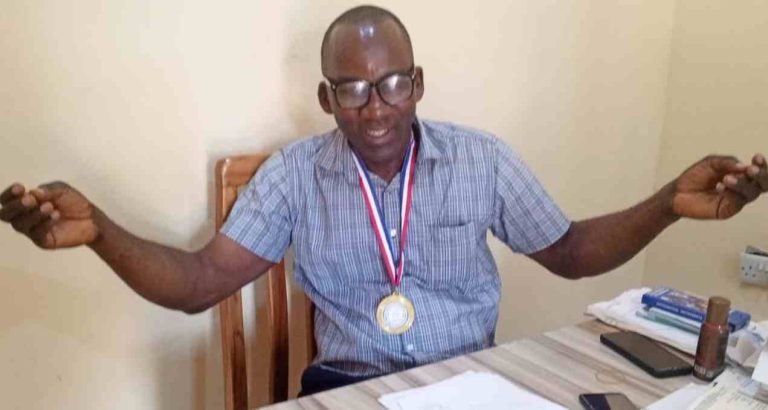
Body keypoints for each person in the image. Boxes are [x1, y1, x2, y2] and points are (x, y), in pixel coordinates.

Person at [1, 5, 766, 397]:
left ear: (418, 84)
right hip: (348, 386)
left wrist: (668, 201)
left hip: (472, 384)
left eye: (393, 82)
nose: (376, 105)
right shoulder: (296, 175)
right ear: (327, 97)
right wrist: (100, 232)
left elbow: (568, 252)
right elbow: (200, 285)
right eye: (354, 89)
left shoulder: (481, 158)